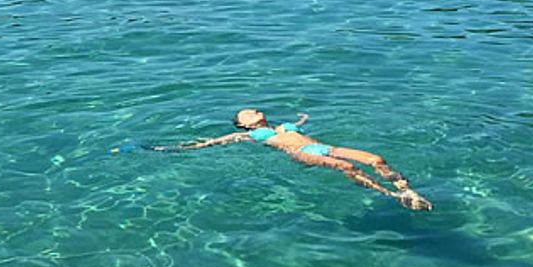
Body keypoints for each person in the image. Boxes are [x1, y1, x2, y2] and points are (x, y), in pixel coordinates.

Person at [152, 108, 433, 211]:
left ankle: (405, 188)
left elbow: (300, 121)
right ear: (245, 124)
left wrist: (301, 119)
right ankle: (390, 196)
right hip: (302, 155)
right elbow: (213, 142)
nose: (251, 110)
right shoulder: (253, 135)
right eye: (245, 113)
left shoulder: (284, 125)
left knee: (375, 158)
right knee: (347, 167)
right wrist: (176, 148)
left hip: (324, 147)